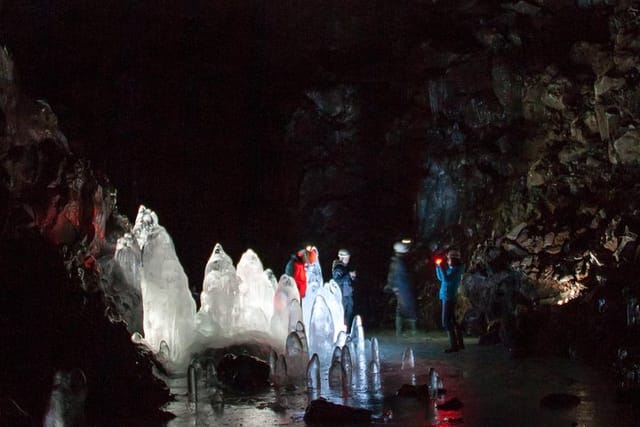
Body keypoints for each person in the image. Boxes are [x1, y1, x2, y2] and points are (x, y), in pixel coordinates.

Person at [435, 249, 465, 353]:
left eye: (448, 259)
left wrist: (442, 267)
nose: (447, 261)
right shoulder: (453, 268)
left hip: (448, 297)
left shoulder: (456, 270)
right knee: (453, 321)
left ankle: (454, 346)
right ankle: (460, 344)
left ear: (453, 259)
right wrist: (438, 267)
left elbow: (446, 279)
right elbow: (441, 278)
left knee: (446, 322)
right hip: (447, 296)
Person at [384, 242, 417, 337]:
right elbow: (401, 277)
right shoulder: (400, 262)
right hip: (403, 288)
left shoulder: (396, 262)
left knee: (401, 308)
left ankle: (401, 331)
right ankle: (410, 330)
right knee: (407, 307)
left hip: (400, 288)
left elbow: (392, 276)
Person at [332, 248, 356, 330]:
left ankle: (346, 333)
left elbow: (346, 280)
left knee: (348, 314)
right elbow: (337, 280)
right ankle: (342, 333)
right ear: (342, 257)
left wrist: (351, 277)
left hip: (347, 294)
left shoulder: (345, 267)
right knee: (343, 315)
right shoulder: (338, 267)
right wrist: (349, 275)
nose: (348, 259)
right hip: (342, 295)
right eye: (347, 257)